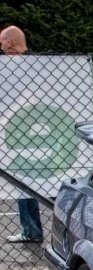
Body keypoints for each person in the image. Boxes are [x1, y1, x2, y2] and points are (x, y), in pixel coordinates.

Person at [1, 25, 43, 244]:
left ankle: (31, 230)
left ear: (9, 43)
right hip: (31, 130)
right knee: (28, 180)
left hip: (23, 131)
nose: (1, 47)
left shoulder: (16, 67)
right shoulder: (34, 62)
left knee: (23, 180)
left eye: (2, 42)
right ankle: (31, 229)